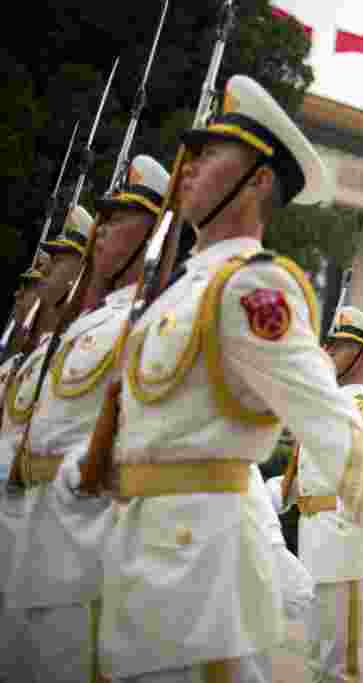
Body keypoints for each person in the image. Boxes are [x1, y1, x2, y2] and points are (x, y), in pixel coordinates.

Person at [63, 74, 363, 682]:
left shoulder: (254, 285)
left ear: (257, 179)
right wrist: (83, 467)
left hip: (198, 577)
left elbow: (338, 433)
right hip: (135, 561)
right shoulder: (177, 292)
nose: (188, 167)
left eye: (210, 156)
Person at [4, 157, 166, 683]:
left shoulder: (141, 323)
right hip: (33, 532)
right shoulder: (90, 324)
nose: (103, 230)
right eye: (107, 215)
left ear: (151, 240)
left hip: (85, 552)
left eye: (121, 221)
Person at [268, 304, 363, 682]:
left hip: (345, 544)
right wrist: (279, 491)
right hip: (315, 540)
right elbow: (316, 475)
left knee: (342, 665)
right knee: (317, 660)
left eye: (339, 347)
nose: (327, 353)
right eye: (328, 345)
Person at [0, 261, 52, 682]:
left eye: (32, 286)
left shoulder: (57, 353)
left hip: (28, 519)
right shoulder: (16, 362)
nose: (20, 297)